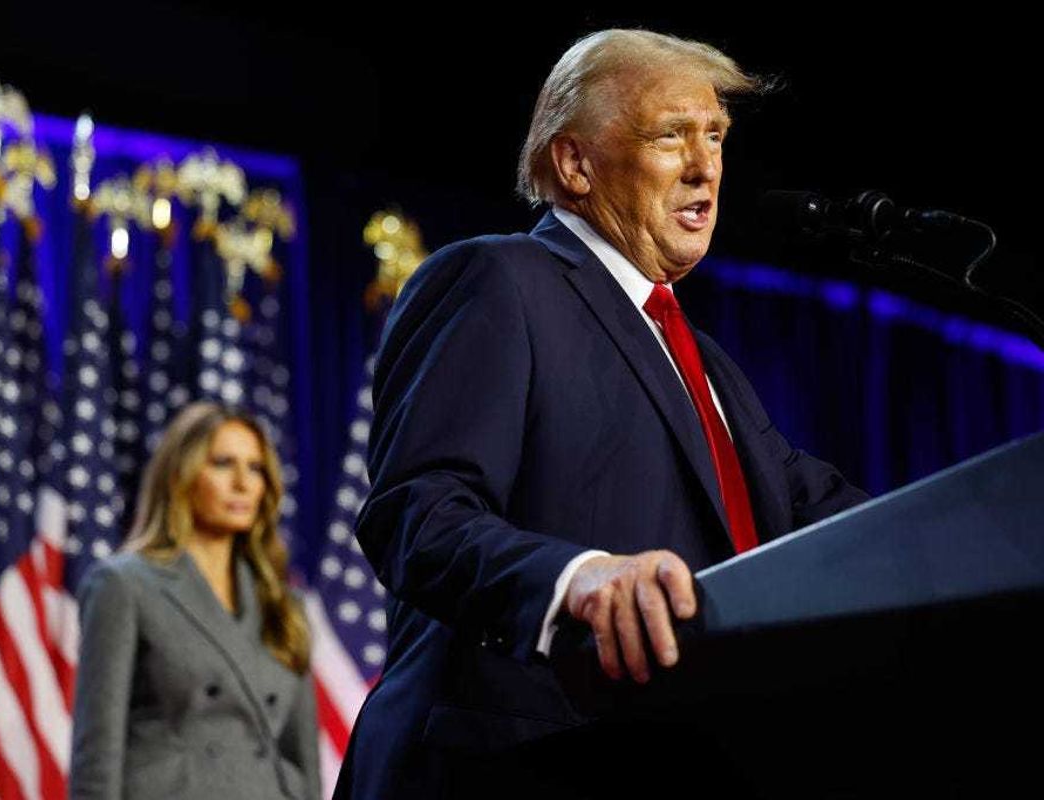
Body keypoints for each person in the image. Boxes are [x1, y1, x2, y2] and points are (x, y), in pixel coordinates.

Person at [335, 28, 869, 799]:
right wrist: (576, 581)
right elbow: (417, 512)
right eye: (669, 136)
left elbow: (825, 516)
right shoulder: (498, 280)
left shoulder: (708, 366)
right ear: (574, 163)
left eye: (715, 136)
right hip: (505, 765)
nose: (704, 167)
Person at [69, 402, 320, 800]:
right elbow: (97, 753)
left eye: (255, 468)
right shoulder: (122, 585)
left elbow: (302, 753)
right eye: (223, 463)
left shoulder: (284, 603)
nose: (242, 483)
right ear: (180, 476)